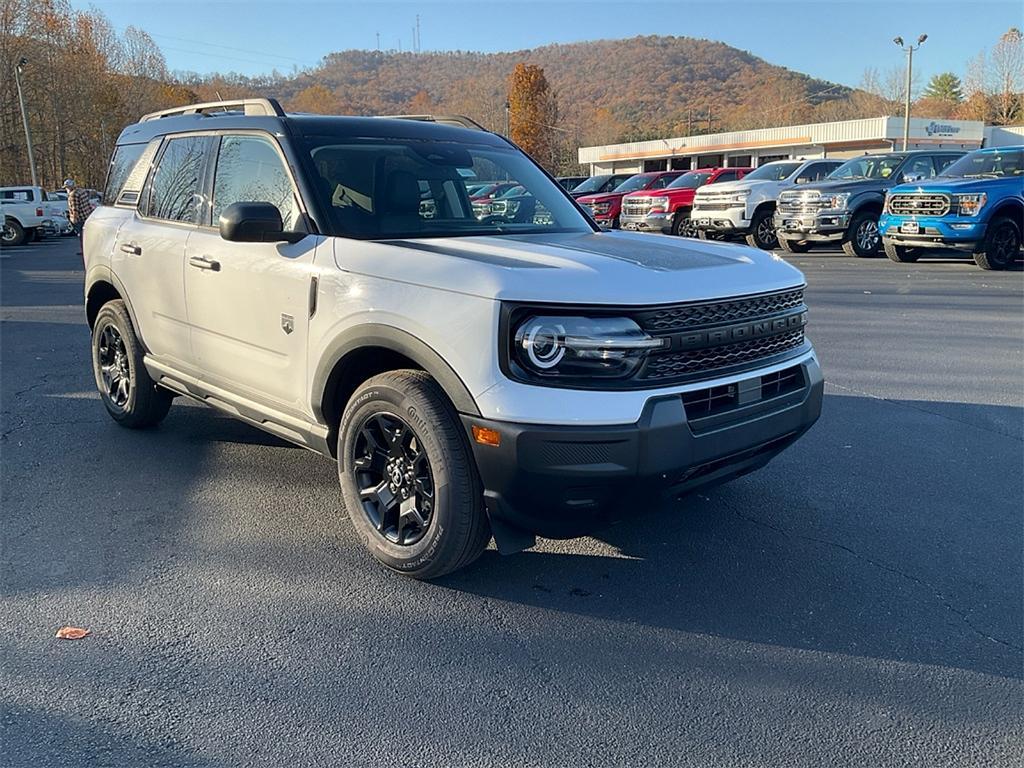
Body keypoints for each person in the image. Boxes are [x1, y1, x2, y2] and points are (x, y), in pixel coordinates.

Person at [64, 179, 95, 254]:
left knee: (82, 235)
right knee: (88, 235)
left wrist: (74, 219)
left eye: (67, 187)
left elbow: (75, 208)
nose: (66, 189)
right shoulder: (82, 191)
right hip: (88, 215)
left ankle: (84, 250)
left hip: (81, 218)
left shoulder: (73, 195)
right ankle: (90, 249)